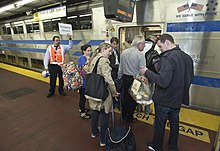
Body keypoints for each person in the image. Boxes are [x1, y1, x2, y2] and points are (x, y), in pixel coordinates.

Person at [140, 34, 194, 151]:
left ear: (167, 43)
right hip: (177, 99)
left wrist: (147, 72)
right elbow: (189, 78)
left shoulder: (167, 58)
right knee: (174, 125)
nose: (160, 49)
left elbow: (163, 81)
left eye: (160, 46)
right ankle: (173, 146)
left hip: (164, 100)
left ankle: (157, 146)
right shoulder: (187, 58)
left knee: (160, 124)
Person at [88, 43, 120, 147]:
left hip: (93, 91)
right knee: (105, 114)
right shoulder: (104, 60)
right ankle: (103, 140)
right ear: (103, 49)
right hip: (103, 92)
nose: (110, 54)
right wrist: (115, 92)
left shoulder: (94, 58)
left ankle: (94, 132)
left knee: (96, 111)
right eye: (109, 51)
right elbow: (108, 79)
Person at [118, 35, 146, 123]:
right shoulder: (140, 55)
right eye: (143, 44)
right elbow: (143, 71)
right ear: (139, 44)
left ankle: (123, 115)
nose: (144, 46)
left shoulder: (124, 52)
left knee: (125, 98)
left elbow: (120, 68)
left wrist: (119, 78)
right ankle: (129, 118)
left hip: (125, 78)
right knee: (133, 99)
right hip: (135, 80)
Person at [138, 35, 160, 114]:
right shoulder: (154, 52)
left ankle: (139, 108)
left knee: (139, 92)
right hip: (149, 75)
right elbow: (157, 66)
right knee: (148, 93)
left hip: (138, 75)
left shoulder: (139, 49)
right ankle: (147, 110)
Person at [78, 44, 92, 119]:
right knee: (83, 97)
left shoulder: (89, 57)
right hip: (83, 82)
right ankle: (83, 113)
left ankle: (82, 108)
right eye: (88, 51)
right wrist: (88, 60)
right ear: (84, 51)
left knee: (84, 97)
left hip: (87, 81)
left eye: (90, 50)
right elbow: (86, 69)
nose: (90, 52)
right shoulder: (82, 58)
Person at [109, 37, 120, 108]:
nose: (115, 45)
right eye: (114, 44)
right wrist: (117, 66)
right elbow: (110, 64)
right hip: (112, 72)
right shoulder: (109, 52)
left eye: (116, 44)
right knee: (112, 87)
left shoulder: (116, 51)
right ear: (111, 43)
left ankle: (116, 102)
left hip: (117, 72)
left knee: (116, 87)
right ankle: (112, 102)